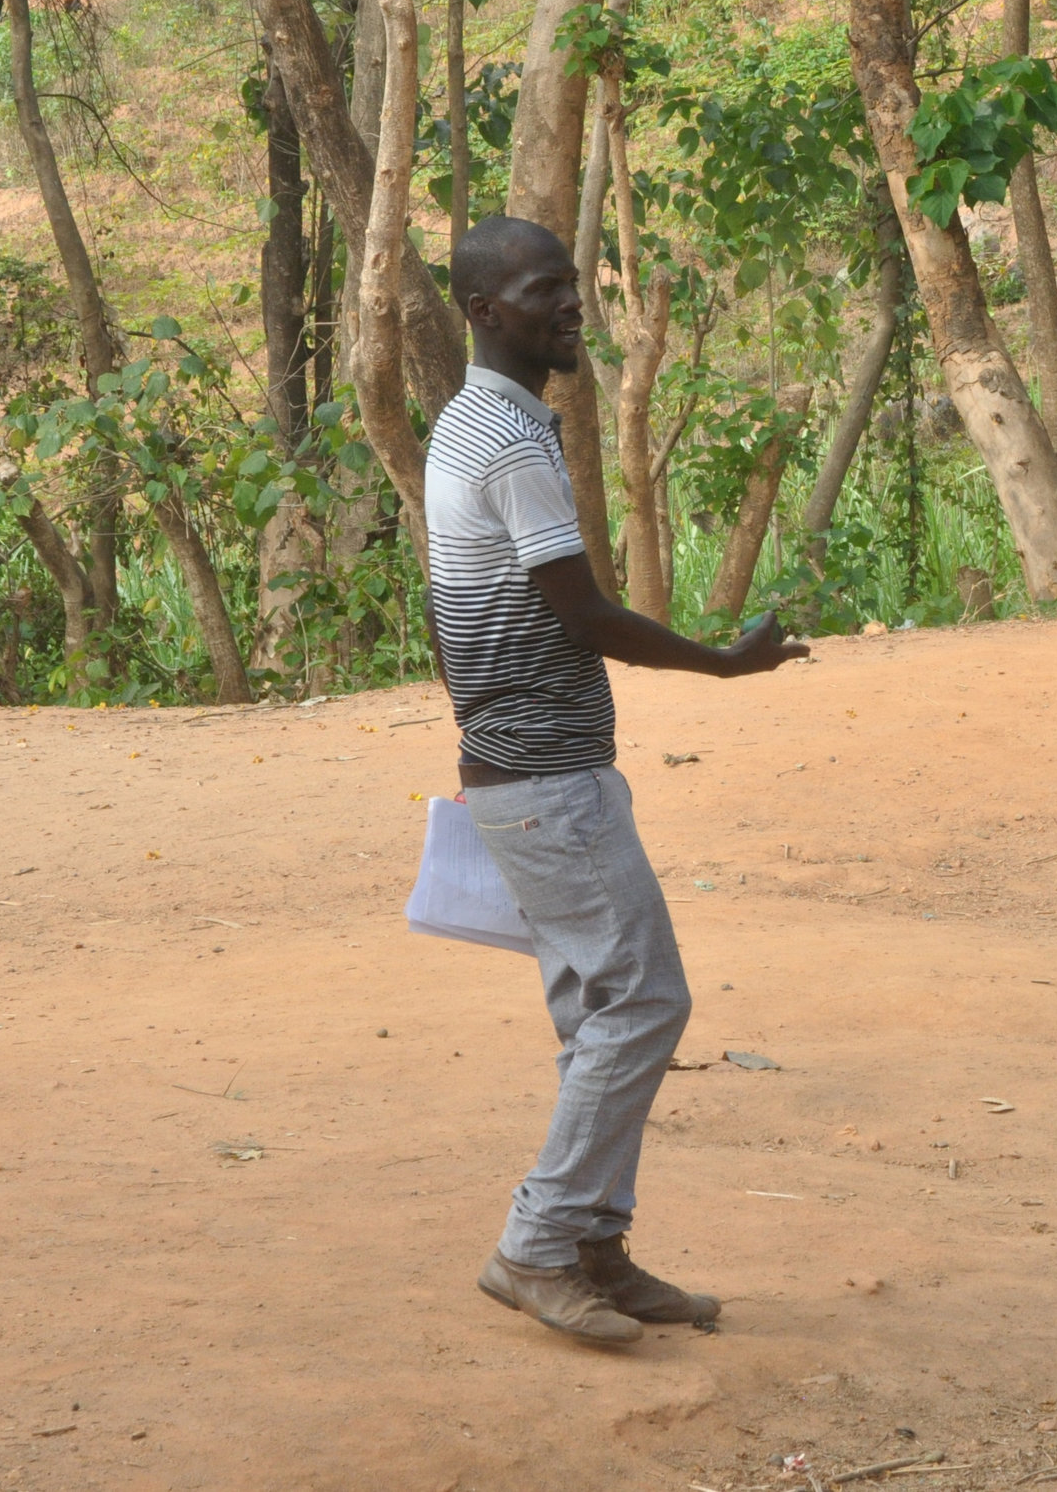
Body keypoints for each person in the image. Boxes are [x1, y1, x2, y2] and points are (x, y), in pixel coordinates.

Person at [425, 215, 806, 1346]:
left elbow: (451, 615)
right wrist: (723, 665)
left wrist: (482, 726)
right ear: (488, 311)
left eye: (573, 285)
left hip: (519, 770)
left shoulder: (469, 426)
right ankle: (538, 1248)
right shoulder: (504, 440)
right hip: (547, 777)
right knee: (644, 1001)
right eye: (548, 290)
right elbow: (580, 612)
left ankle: (593, 1247)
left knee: (597, 1010)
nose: (571, 304)